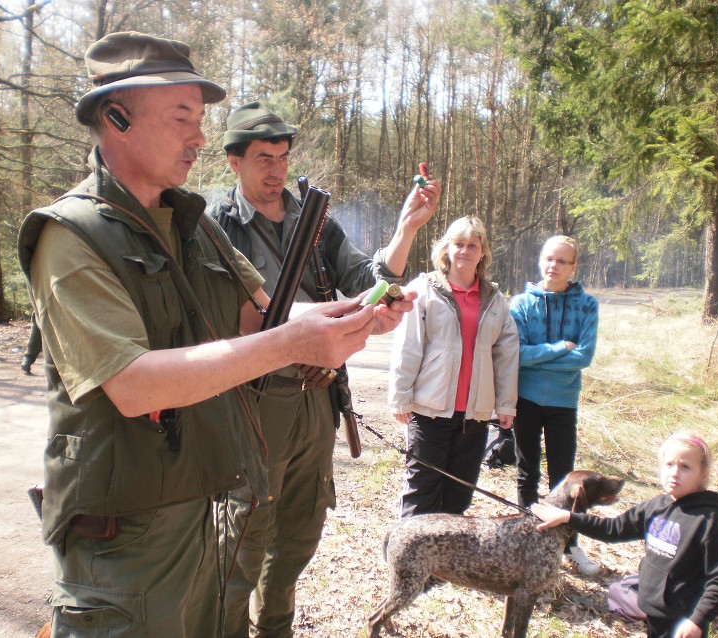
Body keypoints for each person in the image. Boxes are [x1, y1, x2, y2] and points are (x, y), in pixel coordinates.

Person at [16, 32, 413, 638]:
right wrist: (291, 346)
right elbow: (131, 385)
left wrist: (358, 311)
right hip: (120, 542)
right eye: (183, 118)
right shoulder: (69, 236)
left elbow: (268, 313)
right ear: (116, 116)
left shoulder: (192, 225)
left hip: (198, 508)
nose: (199, 137)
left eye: (200, 119)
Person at [207, 101, 440, 638]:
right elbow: (218, 321)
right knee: (243, 540)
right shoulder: (216, 229)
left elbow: (365, 278)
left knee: (298, 535)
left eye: (283, 157)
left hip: (315, 404)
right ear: (233, 162)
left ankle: (275, 630)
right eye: (263, 158)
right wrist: (293, 347)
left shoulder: (314, 222)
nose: (276, 171)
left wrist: (406, 230)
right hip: (251, 405)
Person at [533, 433, 718, 638]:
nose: (675, 473)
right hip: (653, 613)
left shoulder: (709, 521)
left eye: (685, 467)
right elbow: (613, 528)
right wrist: (569, 517)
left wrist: (697, 620)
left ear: (702, 474)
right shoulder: (656, 506)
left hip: (684, 622)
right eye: (669, 464)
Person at [388, 215, 519, 518]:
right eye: (458, 244)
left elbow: (507, 354)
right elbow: (408, 346)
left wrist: (506, 404)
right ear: (446, 248)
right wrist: (400, 396)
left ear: (483, 252)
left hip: (474, 414)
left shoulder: (495, 300)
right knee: (421, 491)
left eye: (472, 245)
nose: (465, 251)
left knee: (459, 495)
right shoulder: (424, 289)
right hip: (429, 409)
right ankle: (408, 560)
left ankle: (444, 562)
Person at [509, 235, 601, 575]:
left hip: (564, 401)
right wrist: (560, 347)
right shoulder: (520, 304)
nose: (554, 266)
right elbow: (517, 354)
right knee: (526, 470)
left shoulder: (587, 305)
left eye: (562, 261)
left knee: (565, 476)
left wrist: (540, 356)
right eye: (549, 258)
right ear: (540, 260)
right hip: (526, 399)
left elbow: (585, 356)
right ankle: (525, 536)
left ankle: (569, 543)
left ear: (573, 267)